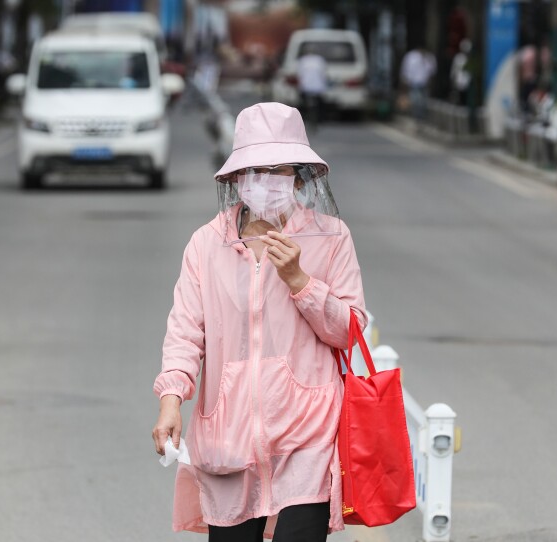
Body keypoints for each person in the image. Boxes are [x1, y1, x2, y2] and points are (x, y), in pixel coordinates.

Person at [152, 102, 366, 542]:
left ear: (298, 176)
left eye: (279, 170)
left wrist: (301, 282)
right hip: (228, 436)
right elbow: (186, 331)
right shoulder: (206, 245)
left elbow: (350, 331)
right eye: (255, 170)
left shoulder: (331, 238)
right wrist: (172, 398)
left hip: (307, 433)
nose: (266, 181)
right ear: (235, 177)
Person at [400, 44, 436, 120]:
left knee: (423, 102)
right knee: (416, 101)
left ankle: (422, 117)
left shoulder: (429, 57)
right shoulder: (411, 56)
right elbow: (406, 70)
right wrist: (405, 83)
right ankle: (416, 117)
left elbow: (432, 71)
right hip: (414, 83)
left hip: (424, 84)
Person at [296, 45, 327, 132]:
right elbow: (323, 74)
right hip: (317, 87)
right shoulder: (320, 60)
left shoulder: (303, 60)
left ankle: (304, 119)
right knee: (320, 105)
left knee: (303, 105)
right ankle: (318, 119)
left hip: (306, 87)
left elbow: (300, 74)